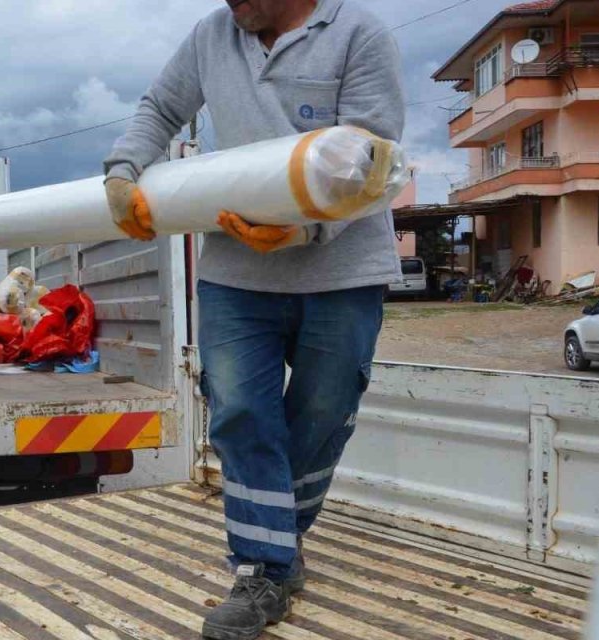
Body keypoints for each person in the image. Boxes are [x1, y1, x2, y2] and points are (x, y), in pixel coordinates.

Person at [102, 1, 404, 638]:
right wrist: (123, 171)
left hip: (342, 270)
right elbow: (159, 108)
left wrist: (306, 229)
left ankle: (278, 544)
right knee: (239, 410)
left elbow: (371, 154)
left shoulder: (358, 32)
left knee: (324, 412)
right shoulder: (213, 35)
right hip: (237, 271)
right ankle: (264, 570)